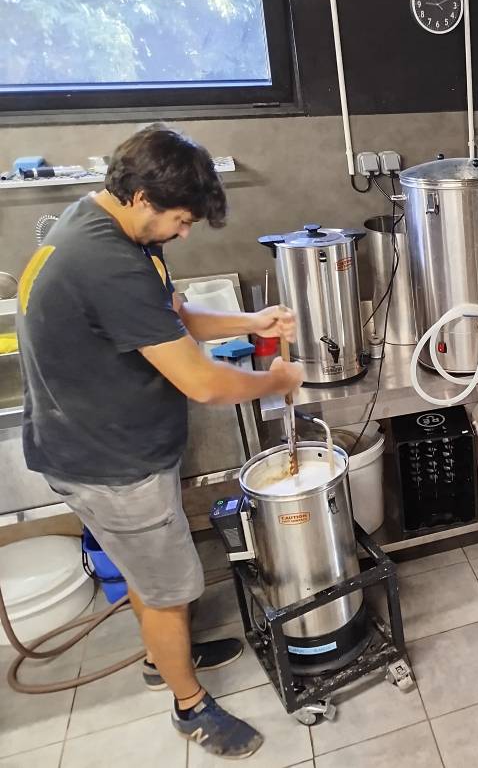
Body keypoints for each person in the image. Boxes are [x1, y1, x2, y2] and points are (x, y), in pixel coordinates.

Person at [16, 125, 304, 758]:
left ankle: (161, 658)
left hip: (96, 444)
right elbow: (203, 382)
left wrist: (250, 320)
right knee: (169, 591)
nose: (184, 233)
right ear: (144, 197)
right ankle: (190, 705)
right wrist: (276, 380)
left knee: (149, 574)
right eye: (181, 220)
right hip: (112, 464)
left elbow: (169, 315)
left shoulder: (110, 225)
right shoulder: (107, 262)